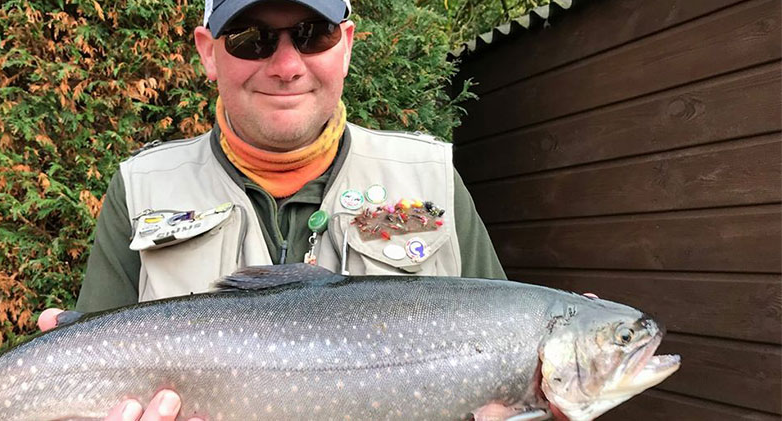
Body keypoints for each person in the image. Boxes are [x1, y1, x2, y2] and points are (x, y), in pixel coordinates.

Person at [38, 0, 505, 419]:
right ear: (207, 52)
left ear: (345, 45)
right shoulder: (141, 189)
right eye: (251, 40)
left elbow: (512, 355)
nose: (286, 66)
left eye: (312, 34)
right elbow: (85, 377)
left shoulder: (432, 180)